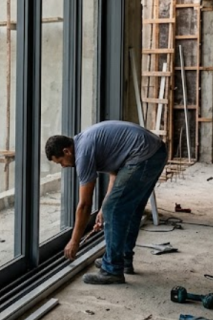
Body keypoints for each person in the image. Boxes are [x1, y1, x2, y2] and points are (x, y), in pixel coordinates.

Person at [44, 120, 167, 285]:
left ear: (66, 151)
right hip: (155, 152)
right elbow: (115, 174)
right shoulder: (85, 142)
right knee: (128, 208)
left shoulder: (83, 155)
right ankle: (122, 261)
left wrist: (75, 240)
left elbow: (85, 205)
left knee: (115, 210)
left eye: (60, 162)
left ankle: (112, 270)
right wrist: (103, 208)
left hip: (144, 156)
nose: (63, 166)